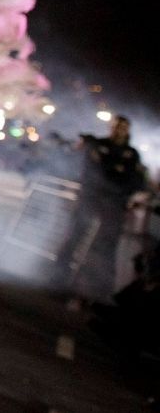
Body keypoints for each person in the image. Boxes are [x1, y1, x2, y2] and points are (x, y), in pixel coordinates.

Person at [57, 115, 147, 299]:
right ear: (110, 128)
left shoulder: (131, 154)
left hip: (115, 203)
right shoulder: (97, 145)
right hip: (91, 198)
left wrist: (128, 194)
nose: (119, 130)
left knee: (106, 246)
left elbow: (137, 180)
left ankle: (98, 290)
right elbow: (88, 169)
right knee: (75, 237)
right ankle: (58, 281)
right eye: (116, 126)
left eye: (123, 127)